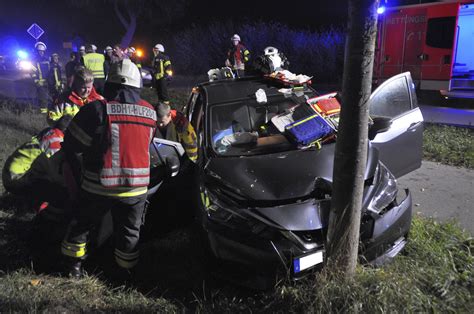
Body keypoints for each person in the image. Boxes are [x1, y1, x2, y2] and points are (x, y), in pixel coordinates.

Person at [60, 58, 157, 278]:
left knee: (82, 223)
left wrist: (79, 174)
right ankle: (125, 272)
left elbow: (72, 145)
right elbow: (147, 143)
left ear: (109, 84)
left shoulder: (97, 110)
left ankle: (73, 266)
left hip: (99, 186)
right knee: (130, 230)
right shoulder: (150, 111)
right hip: (136, 189)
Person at [2, 115, 73, 209]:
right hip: (16, 180)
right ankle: (39, 209)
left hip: (9, 175)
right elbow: (56, 171)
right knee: (59, 186)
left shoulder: (49, 132)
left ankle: (25, 200)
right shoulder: (56, 141)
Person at [31, 41, 51, 109]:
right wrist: (36, 81)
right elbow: (32, 72)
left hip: (48, 82)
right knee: (43, 98)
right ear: (36, 51)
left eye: (42, 51)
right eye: (39, 51)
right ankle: (42, 114)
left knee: (50, 97)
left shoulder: (47, 59)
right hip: (40, 82)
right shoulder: (34, 61)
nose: (41, 53)